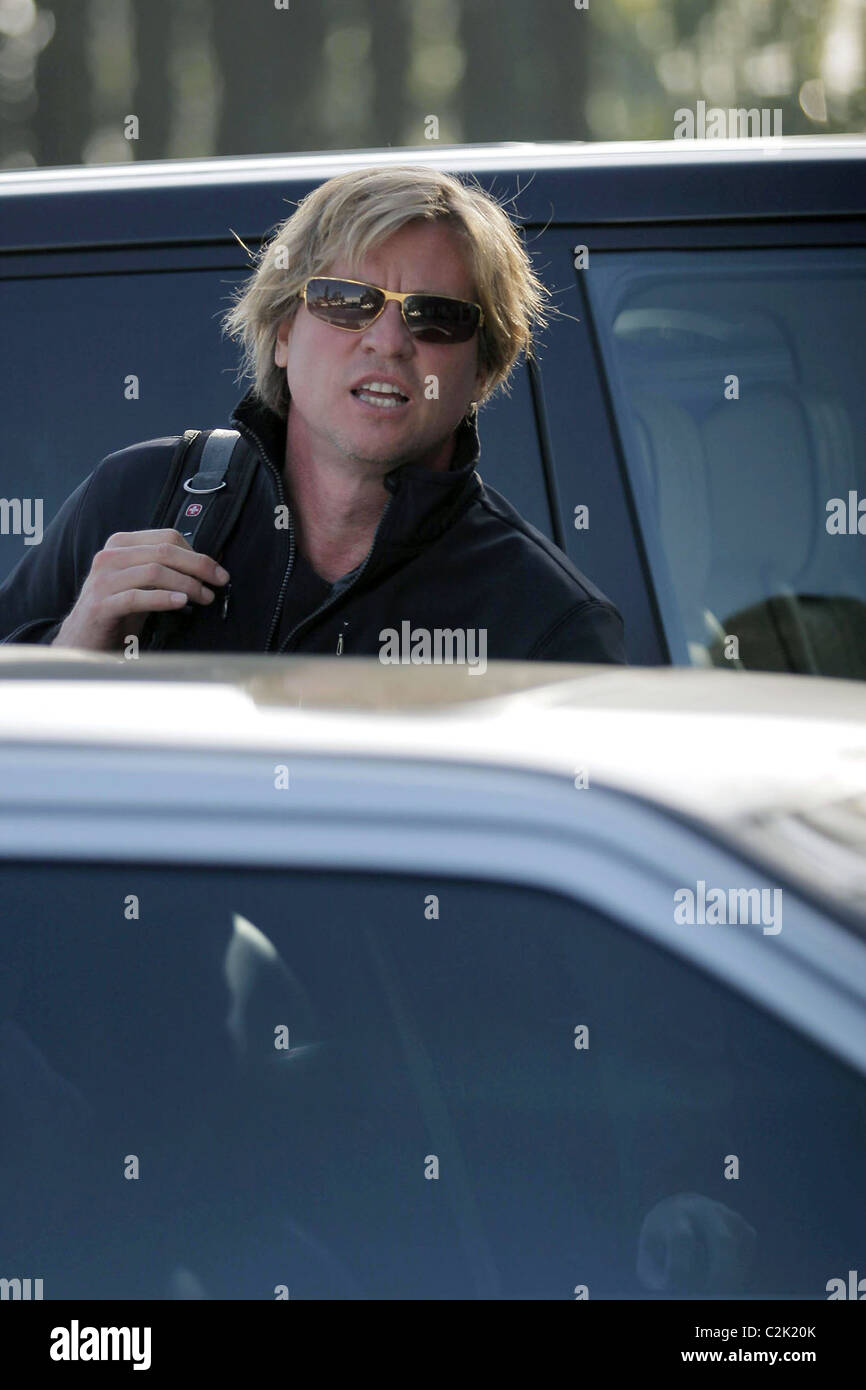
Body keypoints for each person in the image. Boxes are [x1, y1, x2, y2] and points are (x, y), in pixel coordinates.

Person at [0, 165, 626, 664]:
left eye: (433, 316)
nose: (387, 341)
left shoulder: (545, 625)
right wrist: (69, 655)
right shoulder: (135, 497)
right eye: (347, 301)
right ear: (280, 332)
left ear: (485, 371)